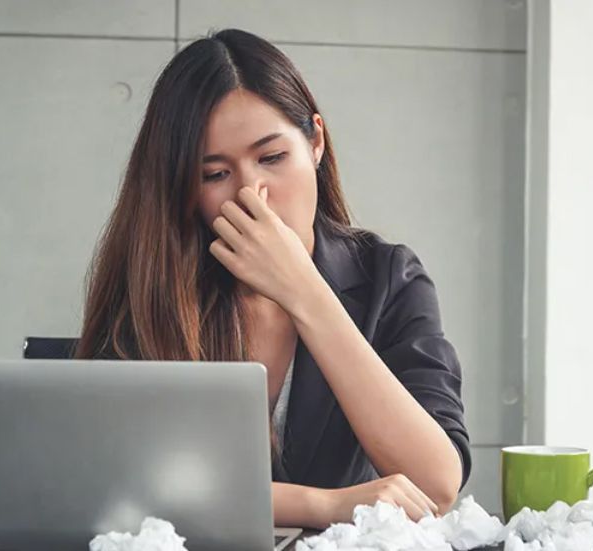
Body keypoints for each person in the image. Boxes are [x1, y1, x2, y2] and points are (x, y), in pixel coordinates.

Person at [75, 28, 470, 530]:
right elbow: (123, 484)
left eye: (272, 158)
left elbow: (436, 485)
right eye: (215, 174)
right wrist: (323, 505)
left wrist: (303, 290)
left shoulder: (389, 277)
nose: (252, 195)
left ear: (316, 142)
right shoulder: (153, 288)